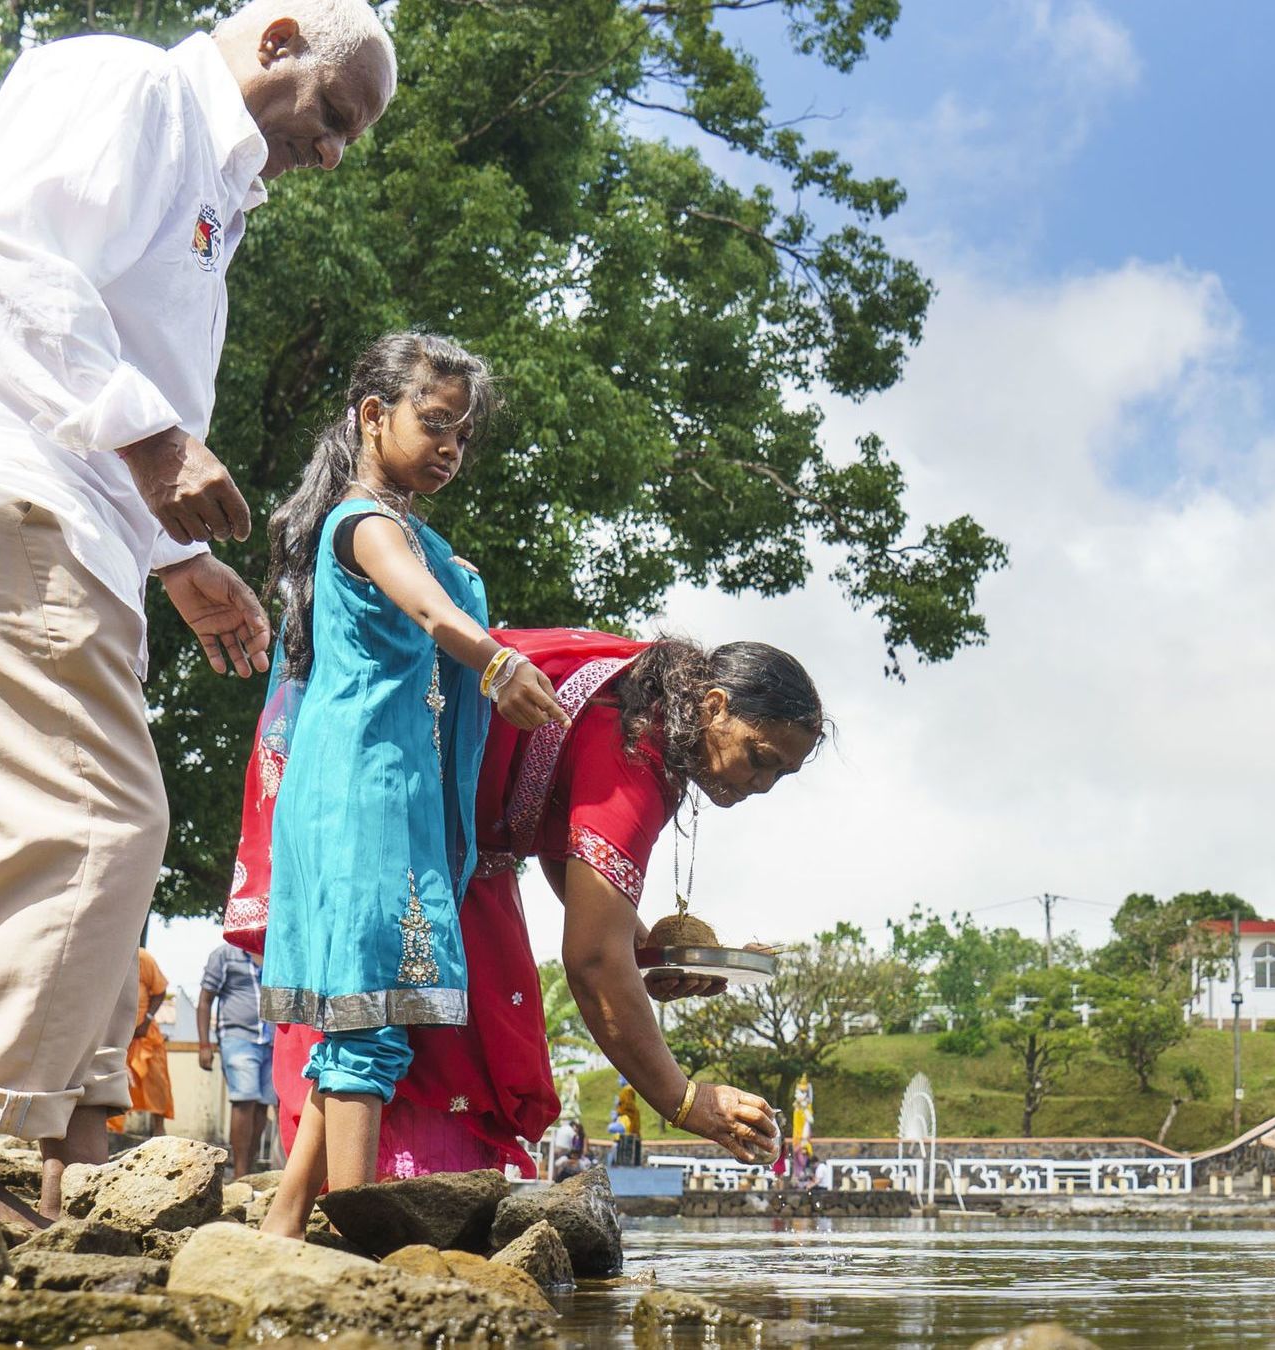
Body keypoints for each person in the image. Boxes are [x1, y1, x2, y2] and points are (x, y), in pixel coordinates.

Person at [0, 0, 396, 1227]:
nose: (331, 154)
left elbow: (108, 342)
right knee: (103, 822)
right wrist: (160, 439)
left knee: (81, 844)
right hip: (25, 500)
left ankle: (76, 1174)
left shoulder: (216, 183)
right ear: (277, 40)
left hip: (92, 533)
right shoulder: (132, 88)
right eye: (333, 116)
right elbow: (6, 253)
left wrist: (177, 560)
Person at [242, 632, 817, 1177]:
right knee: (380, 1025)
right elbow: (592, 961)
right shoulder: (637, 749)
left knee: (388, 1024)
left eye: (780, 774)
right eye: (759, 756)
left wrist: (645, 953)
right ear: (714, 707)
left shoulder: (644, 704)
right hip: (380, 811)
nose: (762, 784)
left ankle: (332, 1217)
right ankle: (355, 1216)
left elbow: (563, 848)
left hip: (421, 828)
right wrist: (687, 1100)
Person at [250, 332, 567, 1240]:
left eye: (462, 436)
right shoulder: (368, 526)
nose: (450, 450)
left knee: (360, 1018)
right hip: (366, 786)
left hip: (378, 782)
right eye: (435, 425)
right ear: (372, 417)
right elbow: (430, 609)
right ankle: (356, 1240)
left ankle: (283, 1227)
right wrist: (500, 663)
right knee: (369, 1022)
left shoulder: (399, 526)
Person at [197, 941, 276, 1177]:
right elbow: (204, 1000)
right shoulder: (224, 954)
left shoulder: (273, 951)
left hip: (271, 1039)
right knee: (244, 1100)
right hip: (237, 1037)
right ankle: (240, 1174)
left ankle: (249, 1172)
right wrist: (204, 1044)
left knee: (262, 1105)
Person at [108, 951, 175, 1136]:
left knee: (157, 1084)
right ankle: (113, 1135)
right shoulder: (107, 955)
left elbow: (160, 991)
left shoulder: (141, 957)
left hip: (145, 1035)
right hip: (117, 1037)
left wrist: (146, 1020)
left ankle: (159, 1132)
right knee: (114, 1086)